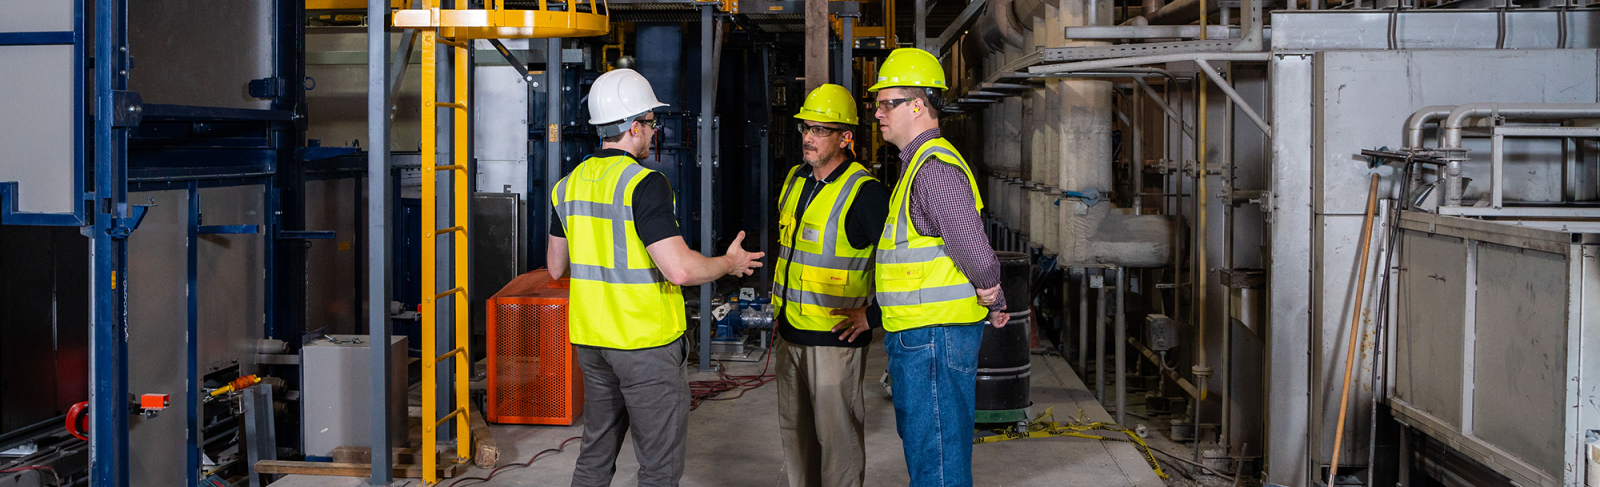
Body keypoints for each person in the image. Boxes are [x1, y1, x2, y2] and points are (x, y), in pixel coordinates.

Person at [546, 68, 764, 487]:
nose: (654, 131)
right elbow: (679, 269)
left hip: (592, 342)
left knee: (594, 456)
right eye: (649, 123)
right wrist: (728, 264)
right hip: (644, 343)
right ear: (632, 127)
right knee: (659, 468)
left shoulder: (567, 186)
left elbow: (557, 267)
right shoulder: (644, 184)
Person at [868, 48, 1008, 487]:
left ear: (917, 105)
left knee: (938, 463)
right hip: (923, 336)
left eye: (886, 103)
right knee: (931, 452)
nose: (876, 113)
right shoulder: (915, 168)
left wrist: (991, 291)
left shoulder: (933, 170)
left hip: (934, 338)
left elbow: (974, 250)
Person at [771, 83, 891, 487]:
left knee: (837, 446)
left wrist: (873, 315)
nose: (808, 136)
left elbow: (902, 262)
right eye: (806, 127)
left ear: (845, 138)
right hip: (790, 336)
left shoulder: (865, 193)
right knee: (796, 439)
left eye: (821, 130)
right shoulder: (795, 179)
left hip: (833, 343)